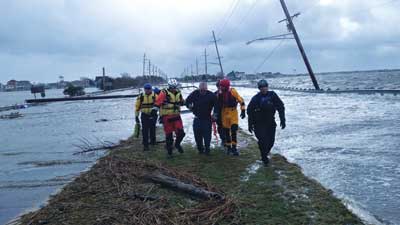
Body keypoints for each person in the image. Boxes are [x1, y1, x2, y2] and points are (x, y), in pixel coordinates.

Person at [247, 79, 285, 166]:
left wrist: (282, 119)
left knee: (271, 142)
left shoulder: (273, 95)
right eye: (262, 88)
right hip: (258, 124)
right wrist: (250, 124)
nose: (264, 89)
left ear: (267, 87)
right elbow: (249, 111)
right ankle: (264, 158)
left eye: (265, 87)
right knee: (263, 141)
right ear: (259, 89)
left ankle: (264, 154)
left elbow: (281, 107)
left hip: (270, 122)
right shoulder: (256, 98)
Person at [154, 79, 186, 157]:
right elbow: (158, 102)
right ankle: (169, 152)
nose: (174, 89)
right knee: (169, 135)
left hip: (177, 116)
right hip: (167, 117)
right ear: (169, 86)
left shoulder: (179, 93)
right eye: (172, 87)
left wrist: (188, 104)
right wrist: (154, 110)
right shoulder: (164, 93)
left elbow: (182, 102)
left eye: (175, 87)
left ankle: (177, 144)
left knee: (181, 133)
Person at [215, 78, 246, 156]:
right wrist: (215, 114)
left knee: (234, 130)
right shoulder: (218, 93)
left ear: (226, 86)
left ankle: (234, 148)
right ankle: (229, 148)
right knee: (226, 131)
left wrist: (243, 110)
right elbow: (216, 104)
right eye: (220, 86)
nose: (221, 87)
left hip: (233, 112)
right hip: (224, 113)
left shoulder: (233, 91)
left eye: (222, 86)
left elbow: (241, 100)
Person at [185, 82, 217, 155]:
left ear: (206, 89)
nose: (202, 91)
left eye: (204, 90)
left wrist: (215, 114)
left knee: (207, 136)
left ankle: (207, 149)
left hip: (207, 119)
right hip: (197, 118)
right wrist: (190, 106)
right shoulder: (195, 93)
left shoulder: (211, 95)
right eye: (201, 90)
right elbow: (187, 101)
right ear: (199, 89)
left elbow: (217, 105)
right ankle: (200, 149)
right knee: (197, 136)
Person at [135, 83, 158, 151]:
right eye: (146, 89)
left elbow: (159, 105)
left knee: (152, 128)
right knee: (145, 130)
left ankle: (153, 142)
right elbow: (137, 107)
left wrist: (157, 112)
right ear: (144, 89)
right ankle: (146, 145)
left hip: (153, 115)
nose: (147, 90)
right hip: (144, 115)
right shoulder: (141, 96)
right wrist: (136, 116)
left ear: (151, 89)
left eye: (149, 89)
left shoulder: (155, 96)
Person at [213, 80, 225, 146]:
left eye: (221, 86)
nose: (220, 87)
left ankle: (227, 139)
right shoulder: (214, 94)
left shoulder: (227, 93)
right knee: (220, 127)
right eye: (218, 86)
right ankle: (223, 139)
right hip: (218, 113)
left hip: (226, 113)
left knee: (226, 127)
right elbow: (210, 104)